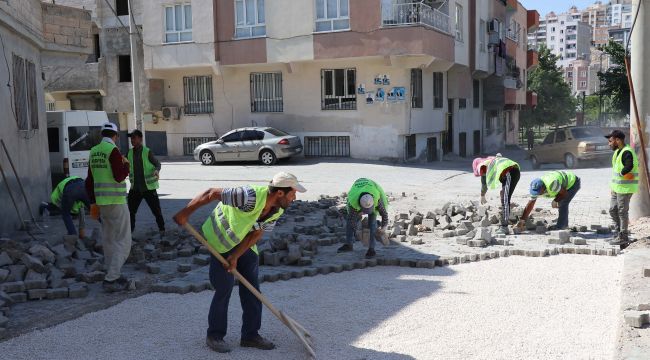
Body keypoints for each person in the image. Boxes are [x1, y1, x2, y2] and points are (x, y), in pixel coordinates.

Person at [172, 172, 306, 353]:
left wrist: (235, 256)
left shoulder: (277, 209)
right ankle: (215, 335)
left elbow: (256, 233)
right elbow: (210, 193)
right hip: (219, 240)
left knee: (252, 289)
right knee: (224, 288)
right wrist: (184, 213)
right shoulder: (248, 196)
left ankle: (250, 335)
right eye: (293, 193)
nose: (295, 197)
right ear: (280, 193)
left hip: (243, 244)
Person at [86, 122, 131, 293]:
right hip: (116, 202)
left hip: (101, 203)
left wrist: (92, 202)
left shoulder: (94, 151)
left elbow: (89, 181)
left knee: (109, 240)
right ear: (116, 136)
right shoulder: (113, 151)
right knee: (124, 241)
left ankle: (113, 272)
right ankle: (112, 278)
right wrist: (126, 165)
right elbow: (119, 177)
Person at [126, 129, 165, 238]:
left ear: (140, 139)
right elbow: (124, 164)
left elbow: (157, 164)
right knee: (130, 212)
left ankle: (162, 230)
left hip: (148, 188)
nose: (132, 140)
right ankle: (130, 233)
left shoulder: (147, 152)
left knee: (156, 211)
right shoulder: (129, 153)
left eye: (134, 138)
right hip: (135, 189)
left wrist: (157, 170)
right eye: (131, 138)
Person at [337, 178, 389, 259]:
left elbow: (384, 214)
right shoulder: (353, 201)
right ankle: (348, 244)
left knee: (372, 223)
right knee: (349, 221)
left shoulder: (376, 198)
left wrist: (383, 228)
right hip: (357, 192)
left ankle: (371, 249)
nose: (367, 212)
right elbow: (351, 220)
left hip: (372, 188)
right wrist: (357, 232)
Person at [517, 171, 581, 231]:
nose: (537, 194)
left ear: (543, 187)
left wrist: (555, 201)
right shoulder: (535, 186)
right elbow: (531, 203)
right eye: (535, 192)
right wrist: (522, 220)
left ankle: (561, 226)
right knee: (560, 200)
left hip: (573, 182)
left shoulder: (552, 185)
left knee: (562, 203)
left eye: (539, 192)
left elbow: (564, 193)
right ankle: (563, 223)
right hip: (561, 186)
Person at [473, 154, 520, 234]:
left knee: (505, 199)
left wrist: (482, 195)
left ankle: (504, 227)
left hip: (509, 173)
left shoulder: (482, 165)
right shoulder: (489, 160)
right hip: (511, 172)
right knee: (504, 196)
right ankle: (505, 222)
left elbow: (484, 183)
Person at [606, 129, 638, 245]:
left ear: (618, 140)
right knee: (612, 210)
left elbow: (629, 165)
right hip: (617, 188)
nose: (609, 144)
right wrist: (613, 187)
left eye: (610, 141)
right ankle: (618, 233)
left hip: (625, 188)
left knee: (622, 212)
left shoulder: (627, 152)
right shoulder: (618, 152)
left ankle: (623, 236)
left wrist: (621, 174)